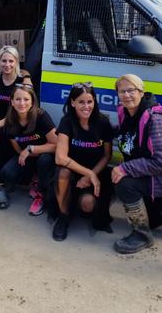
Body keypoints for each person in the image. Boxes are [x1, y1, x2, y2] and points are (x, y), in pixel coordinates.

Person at [111, 74, 162, 254]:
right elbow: (129, 133)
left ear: (141, 92)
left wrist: (124, 168)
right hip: (152, 176)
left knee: (123, 182)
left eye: (131, 90)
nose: (127, 95)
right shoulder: (129, 114)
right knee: (152, 220)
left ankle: (141, 236)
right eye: (122, 91)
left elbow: (160, 162)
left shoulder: (155, 120)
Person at [51, 82, 113, 241]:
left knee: (87, 205)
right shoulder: (67, 121)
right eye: (81, 102)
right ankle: (63, 216)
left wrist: (91, 175)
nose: (86, 106)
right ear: (72, 102)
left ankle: (76, 206)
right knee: (62, 171)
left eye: (90, 101)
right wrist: (87, 173)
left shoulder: (103, 122)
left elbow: (107, 156)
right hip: (73, 173)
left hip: (96, 174)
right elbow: (60, 157)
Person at [0, 45, 32, 209]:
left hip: (17, 123)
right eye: (4, 61)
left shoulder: (23, 82)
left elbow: (17, 110)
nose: (7, 64)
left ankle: (13, 178)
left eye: (11, 61)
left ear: (17, 62)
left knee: (4, 135)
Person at [0, 85, 57, 216]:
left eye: (26, 99)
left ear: (32, 102)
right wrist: (26, 154)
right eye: (18, 99)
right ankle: (33, 179)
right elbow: (19, 150)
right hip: (28, 157)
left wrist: (32, 149)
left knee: (44, 160)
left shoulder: (41, 116)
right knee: (7, 173)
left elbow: (57, 145)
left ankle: (41, 195)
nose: (22, 103)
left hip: (46, 155)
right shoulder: (9, 123)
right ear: (12, 102)